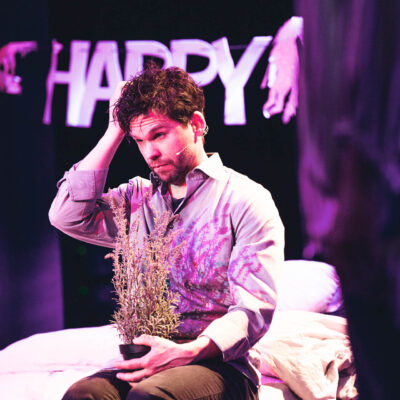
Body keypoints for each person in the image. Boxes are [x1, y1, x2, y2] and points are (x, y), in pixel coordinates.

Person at [49, 64, 284, 400]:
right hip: (147, 358)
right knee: (83, 395)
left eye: (159, 135)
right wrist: (114, 130)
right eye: (139, 141)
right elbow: (66, 215)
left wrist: (186, 352)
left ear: (197, 125)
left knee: (150, 397)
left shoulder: (245, 199)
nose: (150, 153)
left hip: (219, 365)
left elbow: (254, 310)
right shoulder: (136, 200)